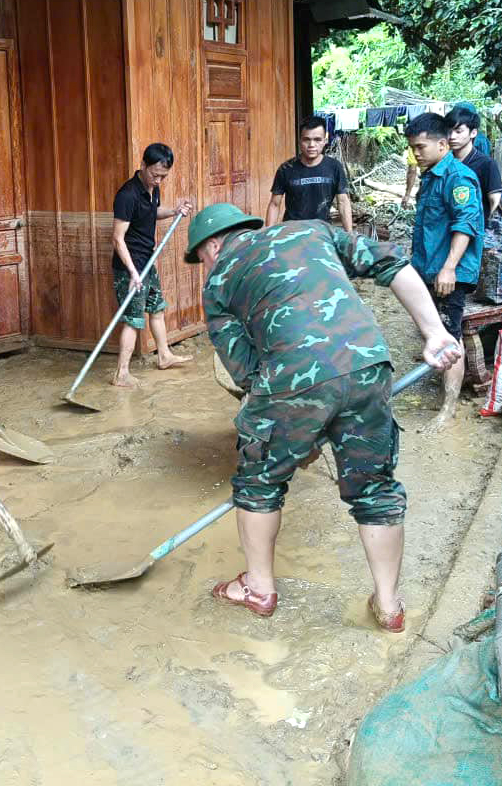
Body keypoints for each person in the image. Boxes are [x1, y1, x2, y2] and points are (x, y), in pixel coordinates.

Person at [183, 203, 461, 632]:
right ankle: (388, 605)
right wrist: (435, 331)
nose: (204, 265)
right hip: (368, 363)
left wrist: (293, 435)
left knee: (258, 481)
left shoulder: (218, 280)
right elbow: (392, 263)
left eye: (199, 257)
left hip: (293, 376)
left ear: (213, 245)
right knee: (374, 488)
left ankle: (258, 588)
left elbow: (248, 375)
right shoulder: (312, 230)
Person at [405, 112, 484, 433]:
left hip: (448, 274)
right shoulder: (430, 176)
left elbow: (465, 224)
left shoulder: (458, 178)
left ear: (442, 144)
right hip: (429, 269)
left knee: (449, 338)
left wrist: (449, 268)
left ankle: (449, 410)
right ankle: (444, 389)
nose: (416, 153)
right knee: (434, 333)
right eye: (413, 148)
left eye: (421, 147)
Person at [111, 143, 194, 388]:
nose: (158, 180)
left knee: (156, 308)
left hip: (147, 260)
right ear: (143, 165)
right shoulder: (127, 195)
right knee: (134, 319)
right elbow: (117, 239)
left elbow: (152, 212)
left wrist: (174, 211)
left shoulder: (152, 189)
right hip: (130, 267)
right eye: (154, 174)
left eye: (163, 176)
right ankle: (121, 373)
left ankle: (164, 355)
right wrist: (133, 274)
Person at [266, 116, 354, 232]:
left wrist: (350, 235)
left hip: (323, 232)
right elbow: (274, 204)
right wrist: (267, 235)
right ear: (300, 140)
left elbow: (343, 202)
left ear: (325, 140)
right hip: (291, 233)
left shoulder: (334, 167)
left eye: (317, 139)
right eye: (306, 139)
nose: (312, 144)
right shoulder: (286, 169)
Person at [446, 105, 502, 221]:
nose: (452, 136)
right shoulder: (444, 163)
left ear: (473, 133)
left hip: (475, 228)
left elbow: (495, 200)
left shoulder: (486, 164)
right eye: (448, 131)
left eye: (458, 131)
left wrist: (484, 228)